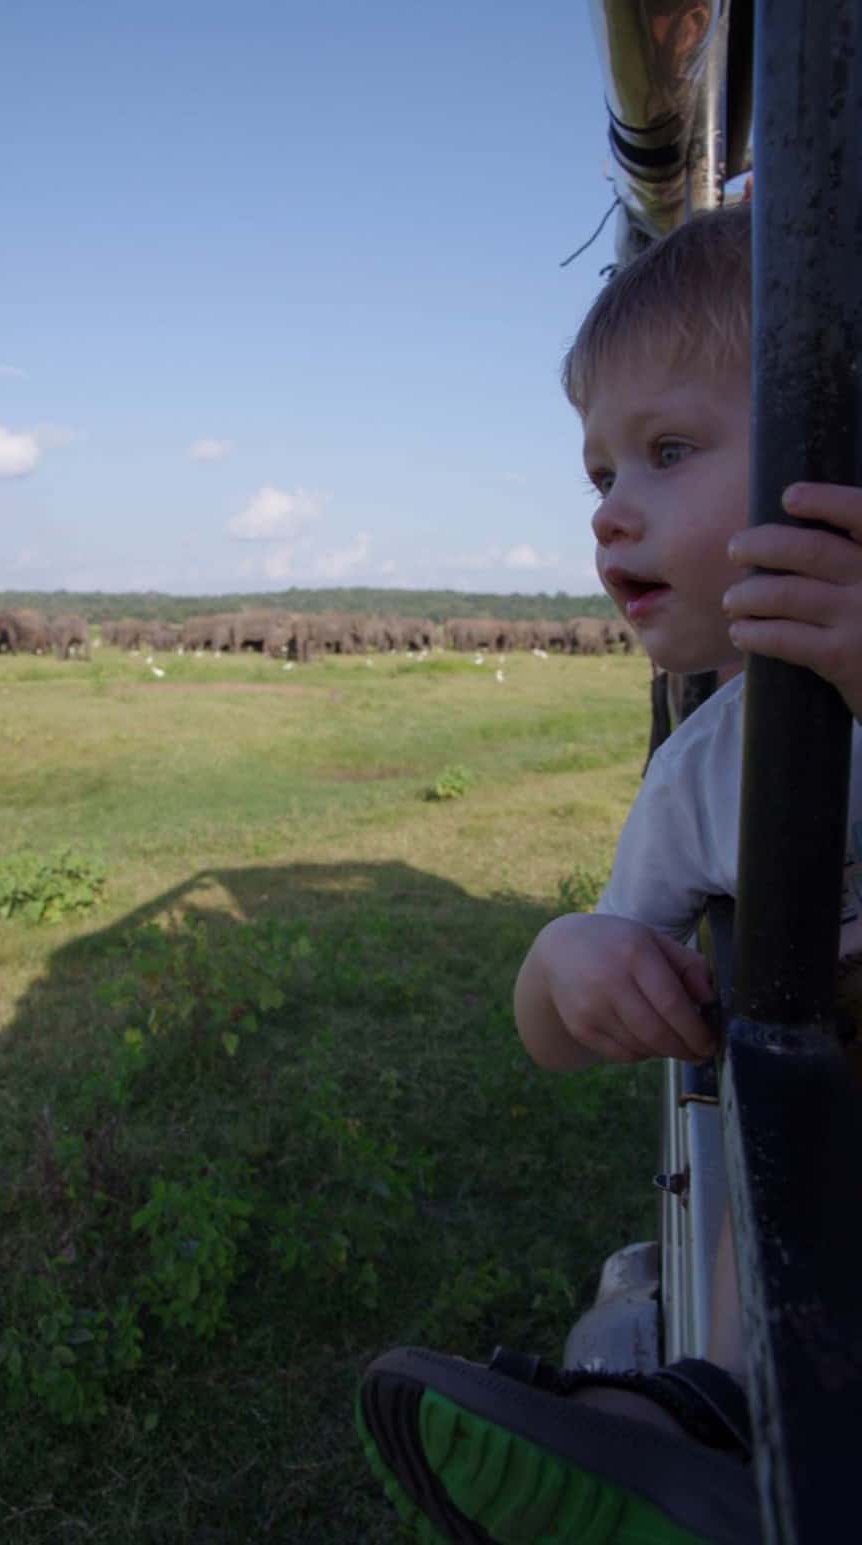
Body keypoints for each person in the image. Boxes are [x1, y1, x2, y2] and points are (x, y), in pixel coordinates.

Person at [356, 202, 862, 1545]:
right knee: (742, 1316)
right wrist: (565, 962)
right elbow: (551, 1038)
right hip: (826, 1250)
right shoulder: (706, 767)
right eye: (598, 475)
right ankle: (660, 1432)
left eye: (668, 452)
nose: (611, 515)